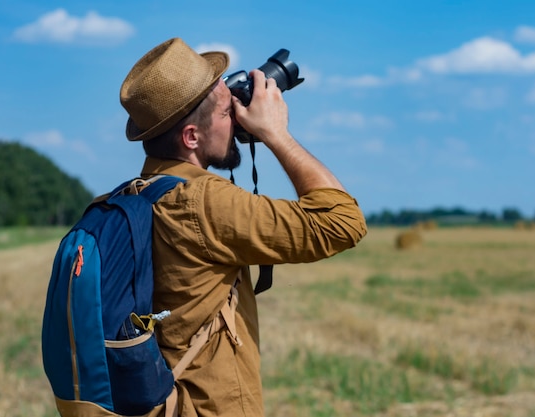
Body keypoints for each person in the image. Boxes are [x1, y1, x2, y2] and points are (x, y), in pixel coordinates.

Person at [119, 38, 367, 417]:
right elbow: (342, 221)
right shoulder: (203, 202)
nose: (237, 118)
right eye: (225, 113)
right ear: (191, 137)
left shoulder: (137, 194)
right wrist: (275, 133)